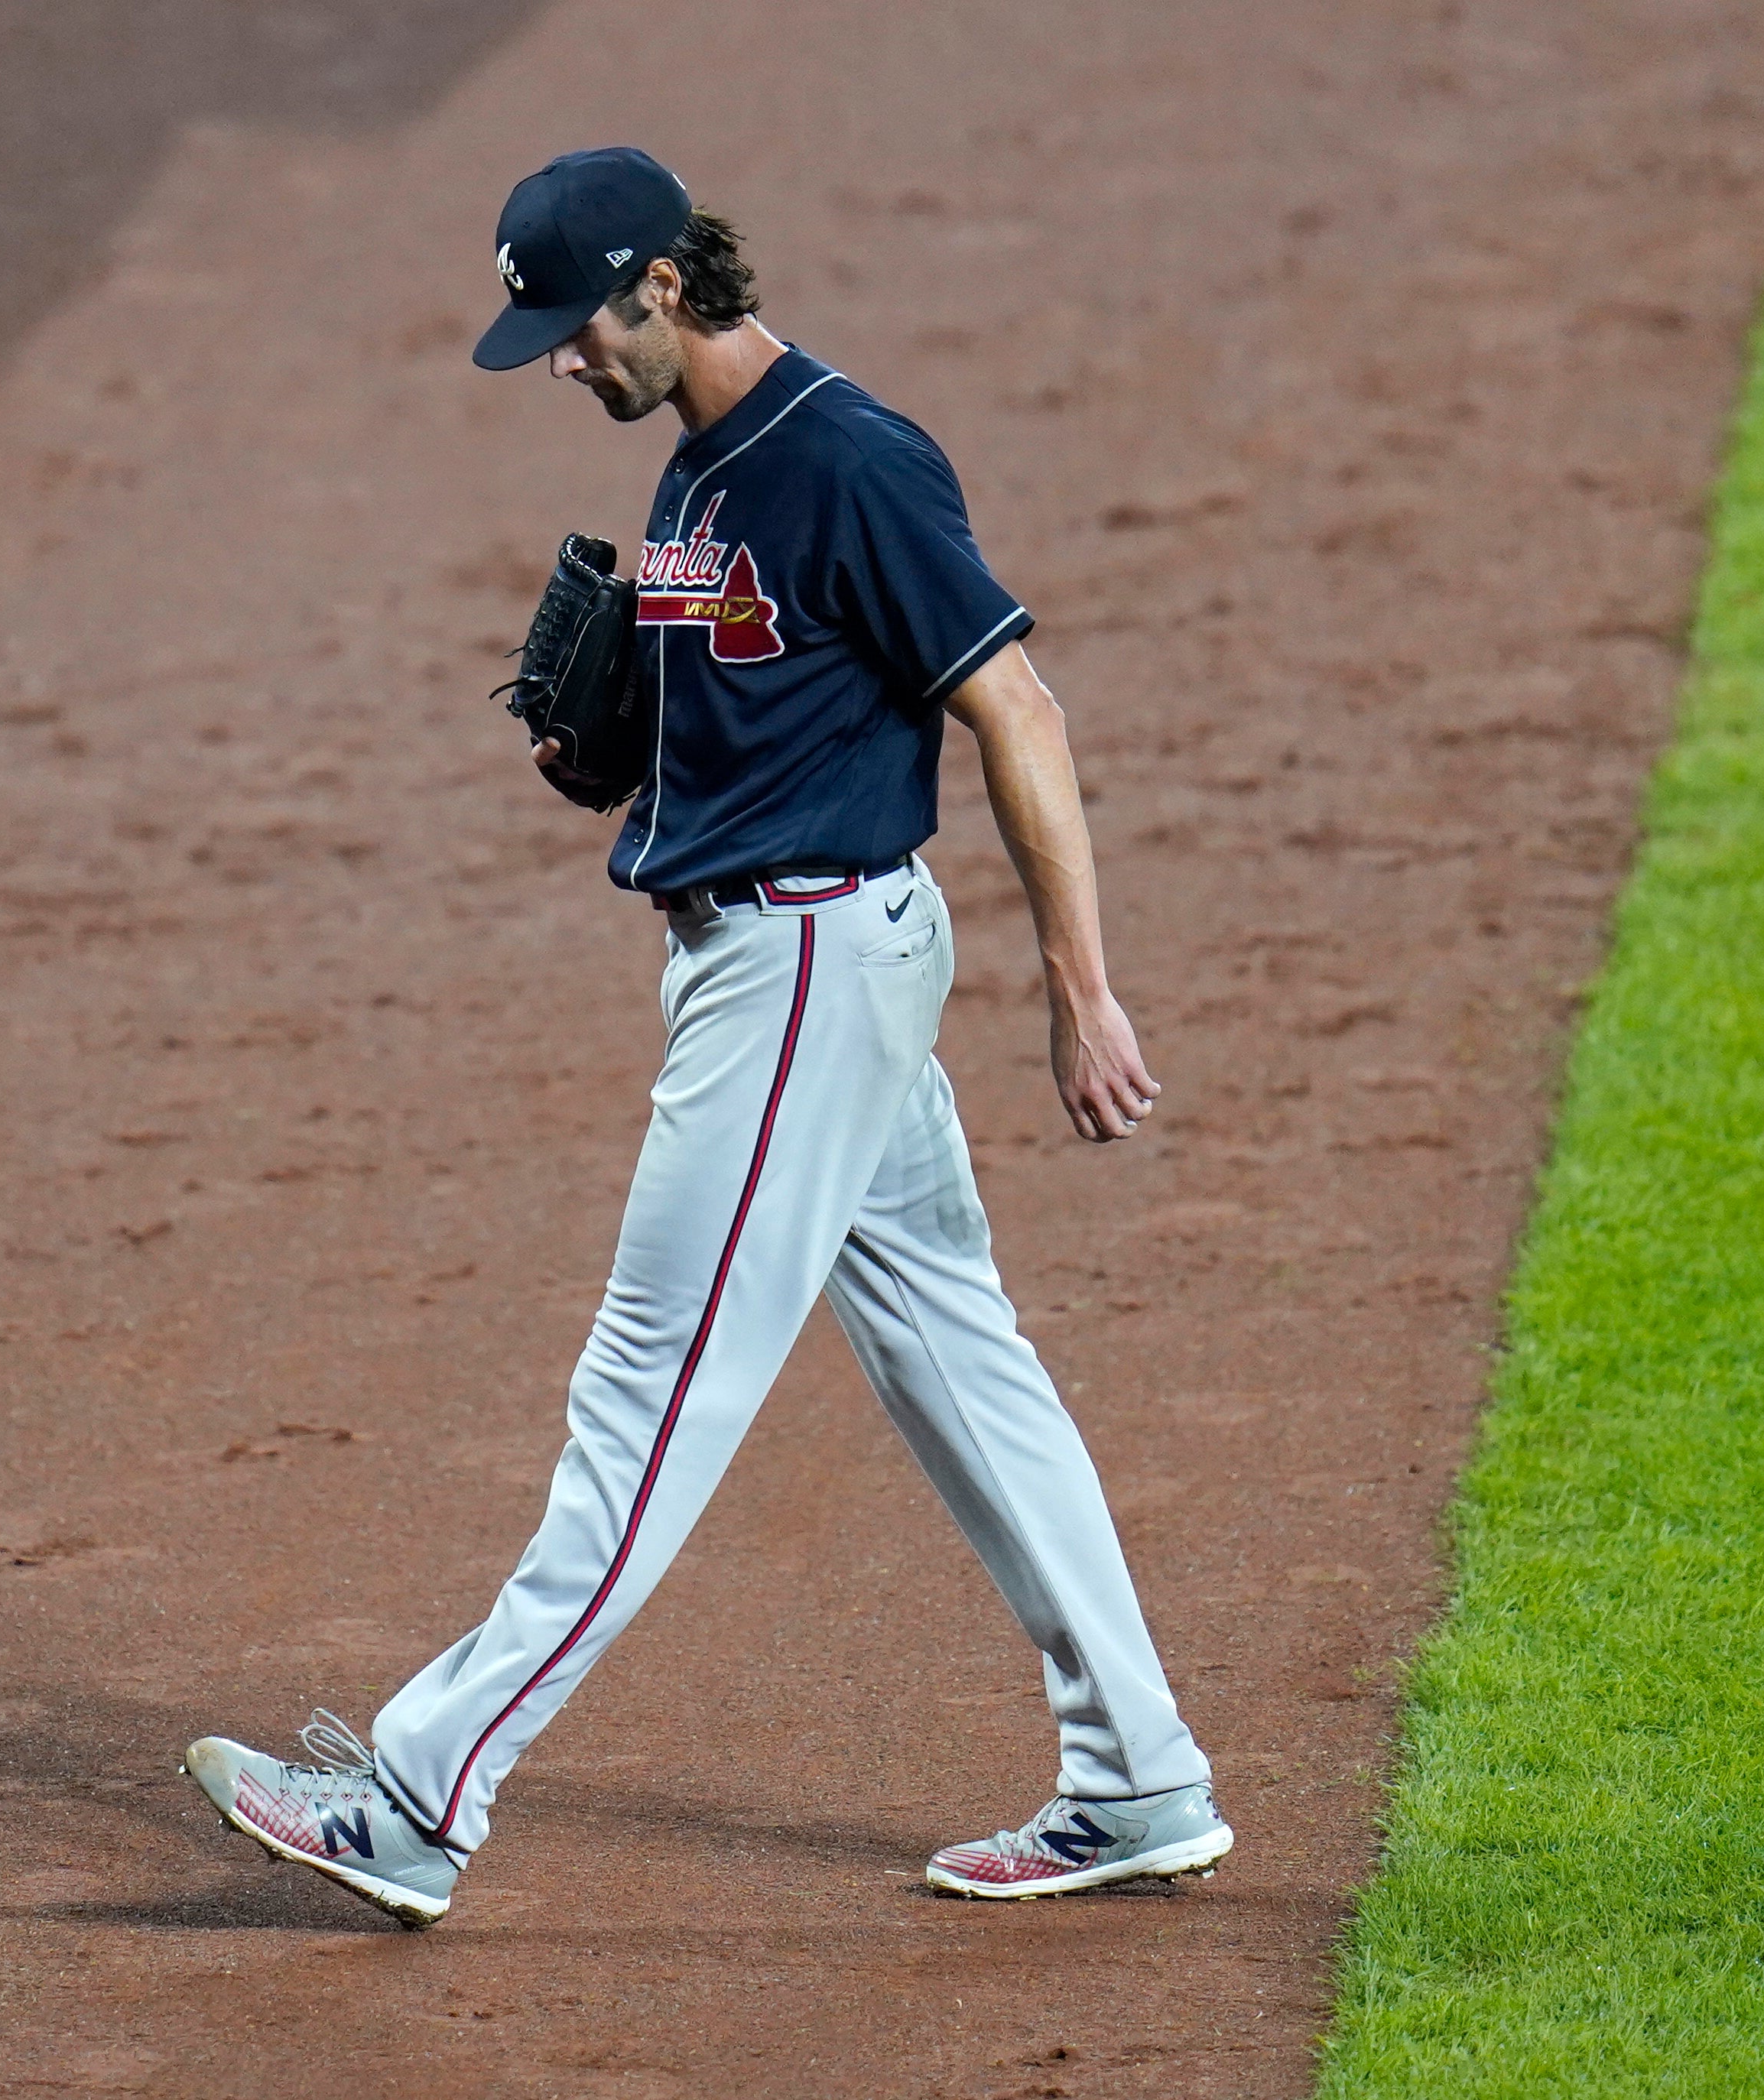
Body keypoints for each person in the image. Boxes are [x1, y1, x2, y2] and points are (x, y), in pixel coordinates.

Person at [183, 146, 1226, 1927]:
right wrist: (613, 759)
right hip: (794, 959)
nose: (561, 363)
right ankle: (1138, 1776)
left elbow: (1017, 709)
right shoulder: (693, 483)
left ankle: (420, 1800)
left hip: (809, 972)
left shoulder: (849, 460)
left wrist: (1082, 986)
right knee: (962, 1360)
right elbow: (722, 719)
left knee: (650, 1400)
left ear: (663, 283)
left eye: (575, 325)